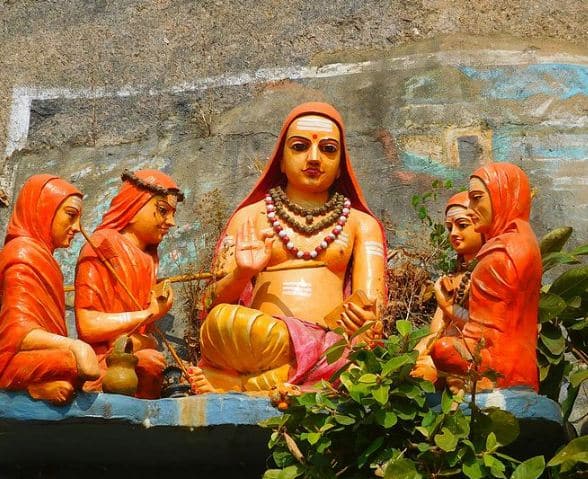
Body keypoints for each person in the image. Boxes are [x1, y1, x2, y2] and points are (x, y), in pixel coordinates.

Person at [190, 102, 387, 393]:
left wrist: (365, 320)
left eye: (328, 149)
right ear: (280, 161)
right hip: (259, 338)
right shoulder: (249, 218)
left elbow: (372, 308)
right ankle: (277, 379)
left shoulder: (361, 224)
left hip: (329, 344)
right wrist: (242, 273)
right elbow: (209, 304)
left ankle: (241, 385)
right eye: (299, 146)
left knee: (354, 362)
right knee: (220, 323)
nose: (314, 158)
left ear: (340, 167)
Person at [430, 163, 541, 391]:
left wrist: (449, 308)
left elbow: (484, 336)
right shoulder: (524, 241)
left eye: (476, 199)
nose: (471, 209)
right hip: (521, 365)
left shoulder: (499, 254)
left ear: (502, 197)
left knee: (442, 350)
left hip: (499, 369)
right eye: (449, 228)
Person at [75, 169, 182, 399]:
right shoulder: (102, 245)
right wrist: (148, 314)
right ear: (134, 205)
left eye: (172, 214)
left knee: (154, 360)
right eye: (163, 211)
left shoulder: (149, 258)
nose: (171, 222)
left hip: (130, 353)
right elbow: (87, 324)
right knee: (149, 362)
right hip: (104, 362)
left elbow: (138, 336)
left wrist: (144, 332)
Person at [0, 174, 100, 405]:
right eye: (71, 215)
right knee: (73, 362)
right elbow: (18, 335)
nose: (77, 228)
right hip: (11, 361)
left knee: (82, 366)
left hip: (39, 355)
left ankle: (41, 385)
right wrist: (74, 345)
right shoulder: (22, 254)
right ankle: (33, 385)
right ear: (42, 210)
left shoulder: (45, 260)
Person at [411, 191, 483, 386]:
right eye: (449, 228)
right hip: (443, 353)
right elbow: (435, 332)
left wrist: (448, 307)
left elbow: (484, 329)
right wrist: (411, 359)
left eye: (462, 225)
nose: (453, 234)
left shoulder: (490, 274)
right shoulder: (452, 279)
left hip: (475, 357)